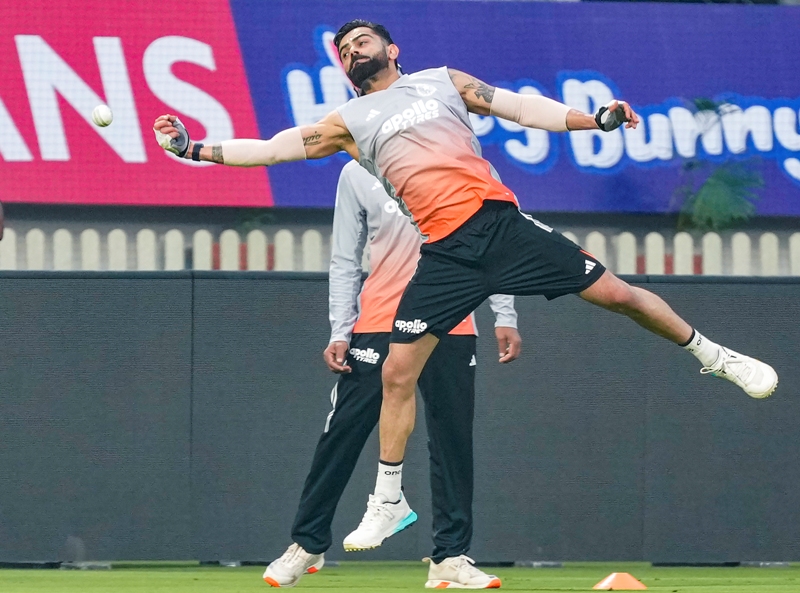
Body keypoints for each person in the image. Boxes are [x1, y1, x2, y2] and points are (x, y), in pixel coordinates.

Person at [153, 18, 778, 585]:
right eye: (343, 49)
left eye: (362, 41)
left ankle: (716, 356)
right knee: (396, 372)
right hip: (446, 255)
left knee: (618, 294)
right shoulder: (348, 122)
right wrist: (191, 149)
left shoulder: (441, 82)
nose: (352, 50)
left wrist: (595, 120)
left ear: (392, 49)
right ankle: (388, 500)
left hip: (502, 228)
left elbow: (518, 107)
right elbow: (270, 149)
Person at [262, 161, 519, 589]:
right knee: (343, 431)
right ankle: (307, 543)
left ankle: (450, 557)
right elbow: (345, 257)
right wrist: (340, 329)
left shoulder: (463, 159)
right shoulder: (356, 172)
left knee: (452, 441)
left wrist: (505, 314)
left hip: (452, 319)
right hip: (380, 320)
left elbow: (497, 241)